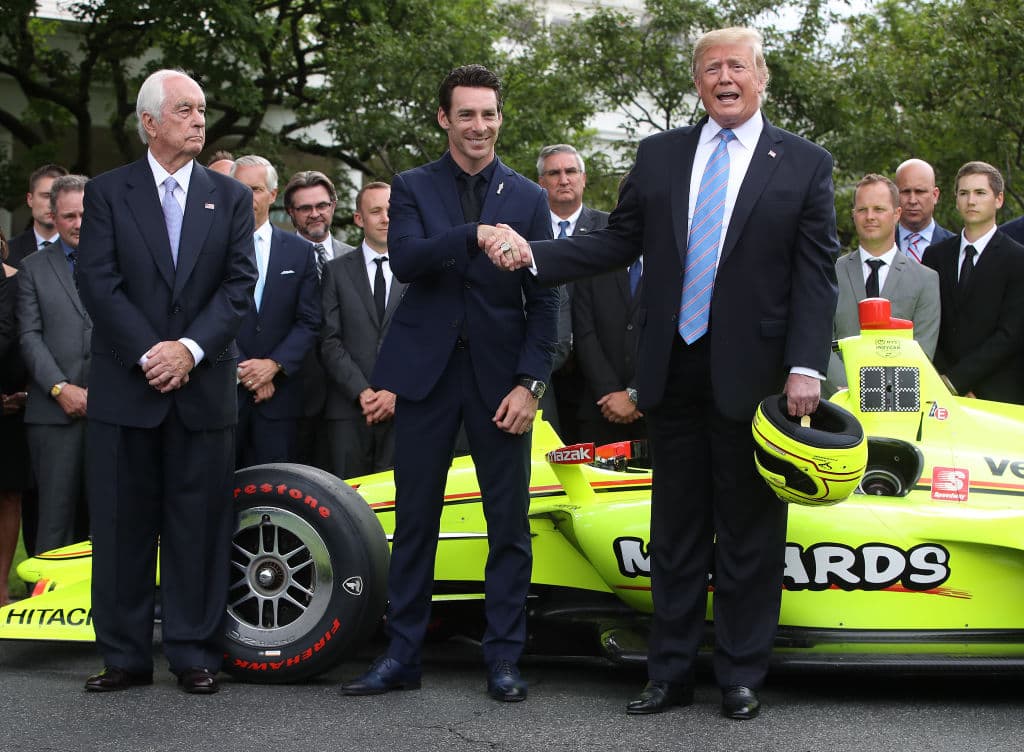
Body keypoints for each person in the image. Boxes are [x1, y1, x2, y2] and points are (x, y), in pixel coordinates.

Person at [486, 27, 839, 719]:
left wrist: (805, 366)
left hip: (758, 376)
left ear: (761, 76)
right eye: (711, 68)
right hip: (669, 370)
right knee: (674, 530)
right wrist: (534, 255)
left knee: (748, 533)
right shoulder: (660, 155)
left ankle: (739, 675)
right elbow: (618, 240)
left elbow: (816, 274)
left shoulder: (805, 163)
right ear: (698, 82)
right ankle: (669, 671)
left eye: (737, 65)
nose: (724, 77)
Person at [341, 64, 558, 702]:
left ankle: (504, 660)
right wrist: (474, 235)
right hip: (426, 378)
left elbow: (545, 304)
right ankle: (402, 654)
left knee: (509, 526)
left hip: (501, 383)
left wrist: (531, 384)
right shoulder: (411, 187)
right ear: (444, 119)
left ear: (499, 117)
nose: (479, 126)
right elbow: (406, 258)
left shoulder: (529, 197)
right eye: (466, 114)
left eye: (489, 113)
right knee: (414, 523)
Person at [76, 69, 257, 694]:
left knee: (199, 528)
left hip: (202, 390)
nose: (199, 120)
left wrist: (188, 349)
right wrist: (152, 353)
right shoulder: (106, 193)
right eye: (185, 109)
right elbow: (98, 283)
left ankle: (193, 652)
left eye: (202, 109)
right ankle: (124, 655)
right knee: (122, 527)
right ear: (149, 122)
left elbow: (238, 288)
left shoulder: (230, 197)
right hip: (129, 388)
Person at [18, 175, 93, 553]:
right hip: (53, 414)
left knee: (109, 519)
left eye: (85, 213)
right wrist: (60, 387)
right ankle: (46, 606)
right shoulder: (32, 267)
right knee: (54, 522)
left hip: (111, 411)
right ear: (53, 216)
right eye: (69, 216)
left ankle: (105, 609)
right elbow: (28, 336)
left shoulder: (124, 261)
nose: (78, 223)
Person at [230, 155, 320, 466]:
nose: (246, 197)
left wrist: (273, 365)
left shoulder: (300, 252)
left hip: (282, 400)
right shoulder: (210, 249)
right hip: (225, 397)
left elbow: (309, 320)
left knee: (276, 492)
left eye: (255, 189)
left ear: (273, 194)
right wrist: (245, 371)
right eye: (239, 188)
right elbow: (203, 313)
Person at [320, 182, 406, 479]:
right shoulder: (336, 271)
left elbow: (425, 339)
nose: (386, 218)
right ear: (359, 218)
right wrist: (363, 392)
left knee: (400, 502)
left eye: (392, 211)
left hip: (403, 407)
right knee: (347, 502)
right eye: (376, 211)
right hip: (347, 409)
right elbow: (329, 341)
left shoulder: (417, 271)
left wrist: (395, 391)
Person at [922, 161, 1024, 403]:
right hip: (940, 389)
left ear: (998, 200)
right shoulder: (935, 256)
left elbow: (1010, 335)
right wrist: (945, 380)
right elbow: (931, 323)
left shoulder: (1018, 258)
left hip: (997, 393)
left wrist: (959, 381)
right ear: (956, 200)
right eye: (964, 193)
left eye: (980, 193)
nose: (971, 201)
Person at [827, 174, 940, 392]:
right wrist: (851, 389)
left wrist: (881, 393)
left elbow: (922, 350)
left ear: (897, 214)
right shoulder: (830, 274)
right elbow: (819, 339)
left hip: (899, 404)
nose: (870, 217)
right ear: (854, 215)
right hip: (838, 405)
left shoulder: (925, 279)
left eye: (879, 209)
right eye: (862, 210)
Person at [281, 170, 354, 470]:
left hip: (347, 399)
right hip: (292, 399)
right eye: (305, 208)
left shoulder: (354, 259)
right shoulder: (276, 258)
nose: (315, 214)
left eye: (322, 205)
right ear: (290, 212)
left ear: (333, 206)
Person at [536, 144, 610, 443]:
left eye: (571, 171)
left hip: (602, 375)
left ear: (583, 178)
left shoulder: (610, 229)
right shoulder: (527, 230)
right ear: (541, 182)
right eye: (554, 173)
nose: (563, 179)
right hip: (546, 371)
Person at [0, 230, 31, 605]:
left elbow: (27, 338)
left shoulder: (18, 281)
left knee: (8, 495)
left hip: (13, 404)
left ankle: (2, 591)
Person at [7, 164, 69, 269]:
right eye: (46, 196)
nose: (52, 204)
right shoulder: (8, 252)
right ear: (30, 199)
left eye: (58, 196)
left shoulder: (85, 251)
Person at [894, 158, 955, 261]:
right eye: (905, 191)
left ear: (935, 195)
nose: (912, 201)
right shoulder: (880, 246)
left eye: (919, 192)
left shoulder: (956, 248)